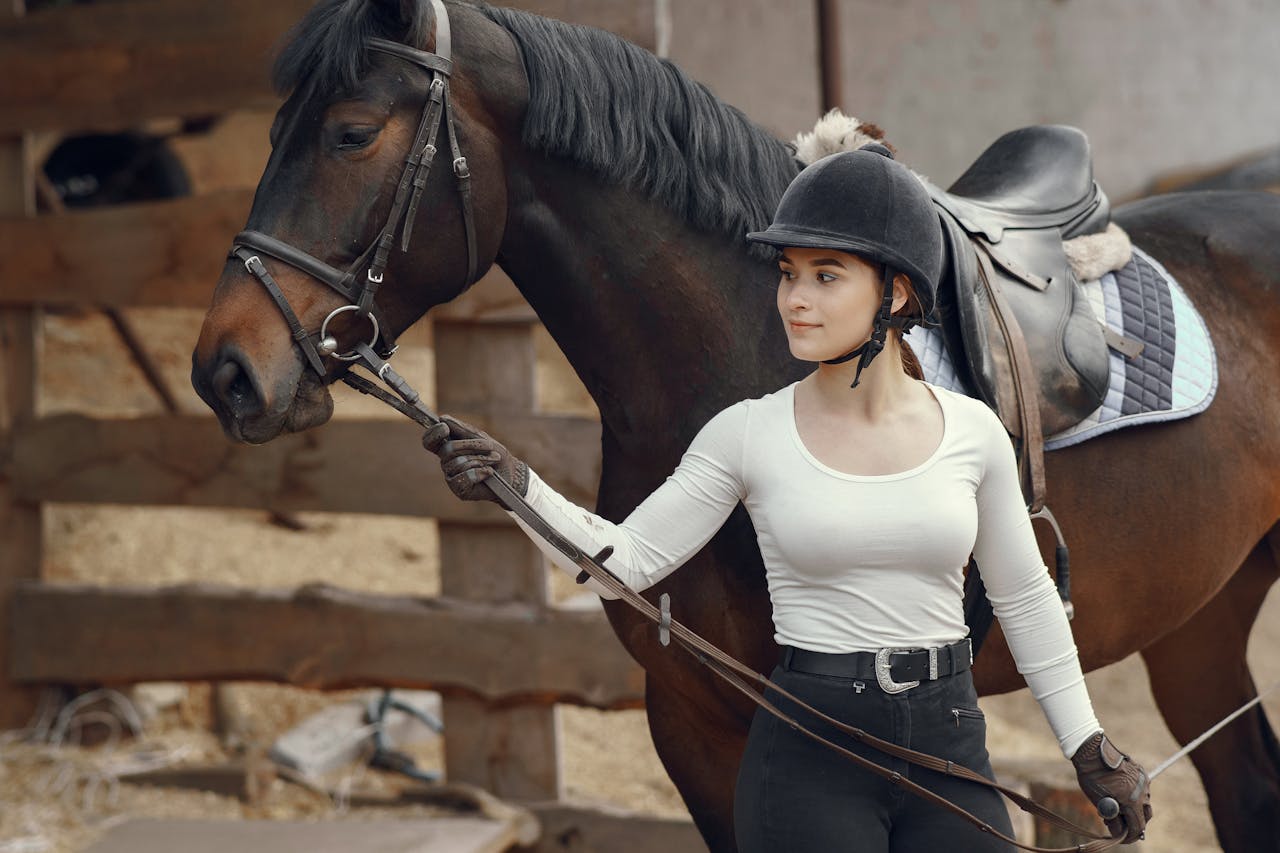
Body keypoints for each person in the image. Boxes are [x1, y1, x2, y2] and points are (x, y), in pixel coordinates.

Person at [422, 145, 1152, 851]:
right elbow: (631, 561)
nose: (795, 300)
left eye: (826, 276)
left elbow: (1024, 595)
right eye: (788, 273)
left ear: (895, 291)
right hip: (810, 752)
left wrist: (1087, 743)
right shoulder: (747, 433)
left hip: (949, 735)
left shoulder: (973, 432)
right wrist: (517, 486)